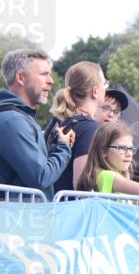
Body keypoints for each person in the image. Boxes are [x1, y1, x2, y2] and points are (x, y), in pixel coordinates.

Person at [0, 49, 74, 198]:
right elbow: (41, 177)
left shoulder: (18, 117)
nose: (51, 80)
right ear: (21, 78)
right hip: (17, 217)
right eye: (43, 74)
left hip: (19, 215)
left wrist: (54, 147)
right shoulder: (11, 121)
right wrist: (63, 148)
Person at [43, 61, 107, 192]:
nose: (106, 88)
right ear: (95, 91)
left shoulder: (58, 121)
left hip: (51, 206)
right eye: (104, 84)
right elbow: (81, 183)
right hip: (72, 210)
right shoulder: (90, 128)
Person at [76, 122, 139, 197]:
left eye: (131, 149)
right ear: (103, 151)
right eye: (122, 148)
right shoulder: (107, 175)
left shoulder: (102, 174)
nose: (129, 154)